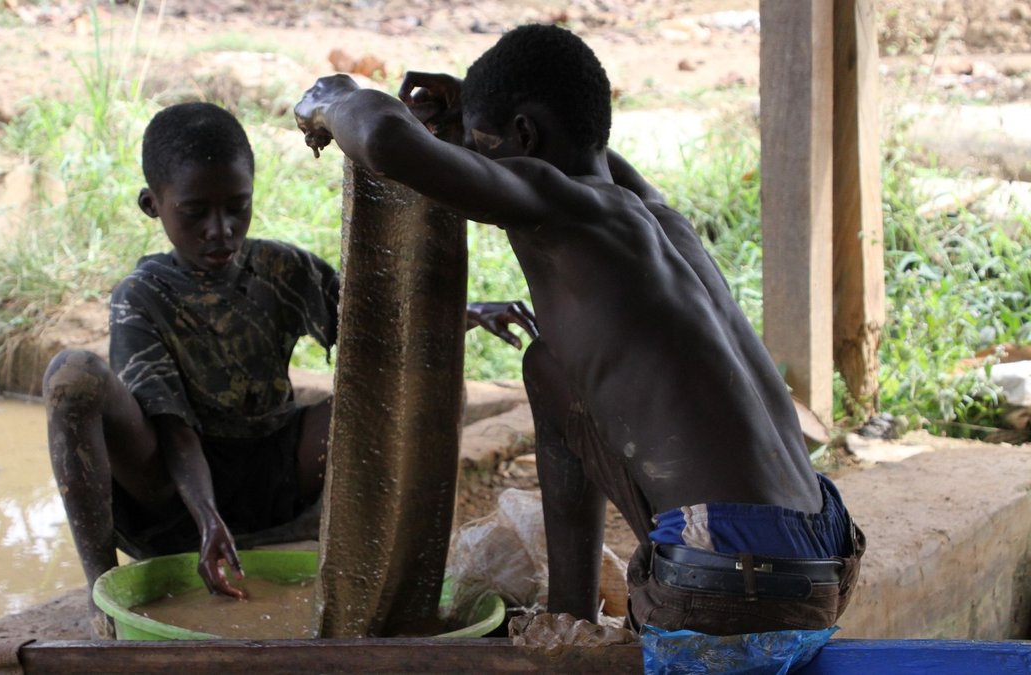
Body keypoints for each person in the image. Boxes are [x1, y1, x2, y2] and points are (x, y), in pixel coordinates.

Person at [295, 24, 864, 635]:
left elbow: (384, 138)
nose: (473, 160)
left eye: (483, 149)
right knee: (551, 367)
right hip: (823, 548)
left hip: (730, 575)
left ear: (525, 137)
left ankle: (573, 614)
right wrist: (473, 110)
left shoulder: (565, 205)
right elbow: (578, 144)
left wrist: (335, 94)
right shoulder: (655, 214)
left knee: (549, 364)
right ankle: (572, 615)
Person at [43, 101, 538, 637]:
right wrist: (208, 518)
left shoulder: (283, 268)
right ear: (152, 205)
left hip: (271, 474)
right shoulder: (142, 297)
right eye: (195, 212)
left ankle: (385, 571)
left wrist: (462, 313)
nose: (220, 229)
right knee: (72, 374)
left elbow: (377, 333)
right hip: (173, 488)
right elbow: (173, 429)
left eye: (237, 207)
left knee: (391, 391)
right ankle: (101, 594)